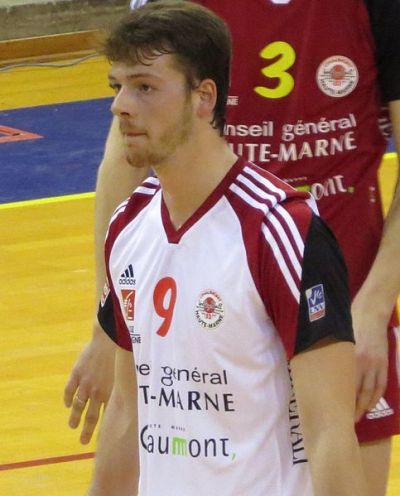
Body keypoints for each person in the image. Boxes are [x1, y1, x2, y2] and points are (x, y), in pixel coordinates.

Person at [64, 0, 400, 494]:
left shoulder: (285, 231)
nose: (120, 107)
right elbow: (126, 416)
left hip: (329, 286)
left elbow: (330, 441)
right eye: (118, 88)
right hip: (212, 267)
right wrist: (105, 319)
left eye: (143, 88)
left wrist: (371, 311)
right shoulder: (132, 226)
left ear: (204, 98)